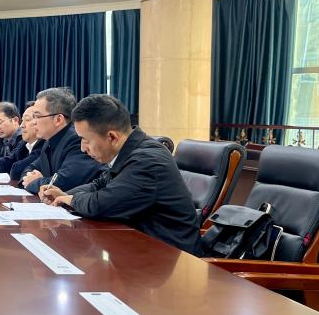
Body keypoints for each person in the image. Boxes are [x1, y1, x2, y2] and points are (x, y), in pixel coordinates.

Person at [40, 94, 200, 253]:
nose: (83, 148)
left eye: (85, 140)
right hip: (140, 247)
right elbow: (98, 185)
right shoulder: (130, 151)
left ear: (112, 137)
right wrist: (64, 195)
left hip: (171, 255)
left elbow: (101, 205)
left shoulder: (147, 161)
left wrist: (71, 200)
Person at [20, 87, 104, 194]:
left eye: (37, 116)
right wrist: (33, 179)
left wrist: (34, 182)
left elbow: (64, 184)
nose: (34, 122)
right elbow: (28, 169)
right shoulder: (49, 142)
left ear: (58, 119)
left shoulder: (77, 139)